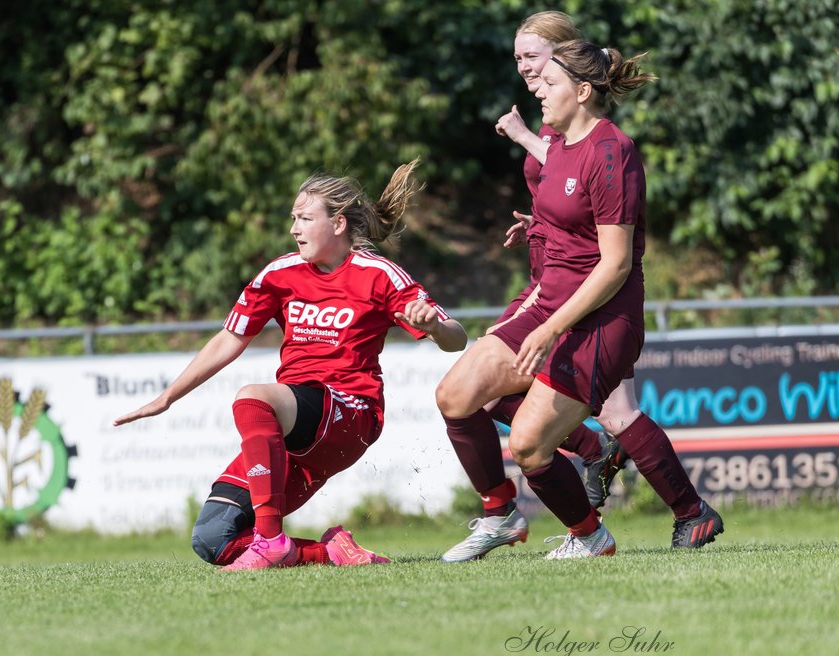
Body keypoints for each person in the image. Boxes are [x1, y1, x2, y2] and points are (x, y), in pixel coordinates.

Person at [441, 15, 725, 562]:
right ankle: (505, 514)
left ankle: (598, 532)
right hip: (550, 295)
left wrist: (551, 327)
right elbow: (567, 207)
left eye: (547, 77)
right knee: (456, 395)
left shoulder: (612, 151)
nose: (535, 84)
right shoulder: (562, 140)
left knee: (533, 442)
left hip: (598, 314)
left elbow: (614, 264)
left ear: (582, 88)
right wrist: (540, 227)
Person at [115, 160, 467, 570]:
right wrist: (167, 397)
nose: (293, 229)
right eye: (293, 219)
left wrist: (438, 328)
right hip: (293, 427)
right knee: (214, 539)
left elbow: (455, 338)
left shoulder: (378, 274)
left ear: (338, 223)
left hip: (350, 413)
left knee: (252, 399)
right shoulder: (281, 273)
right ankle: (329, 552)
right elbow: (231, 337)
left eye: (304, 218)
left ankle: (270, 540)